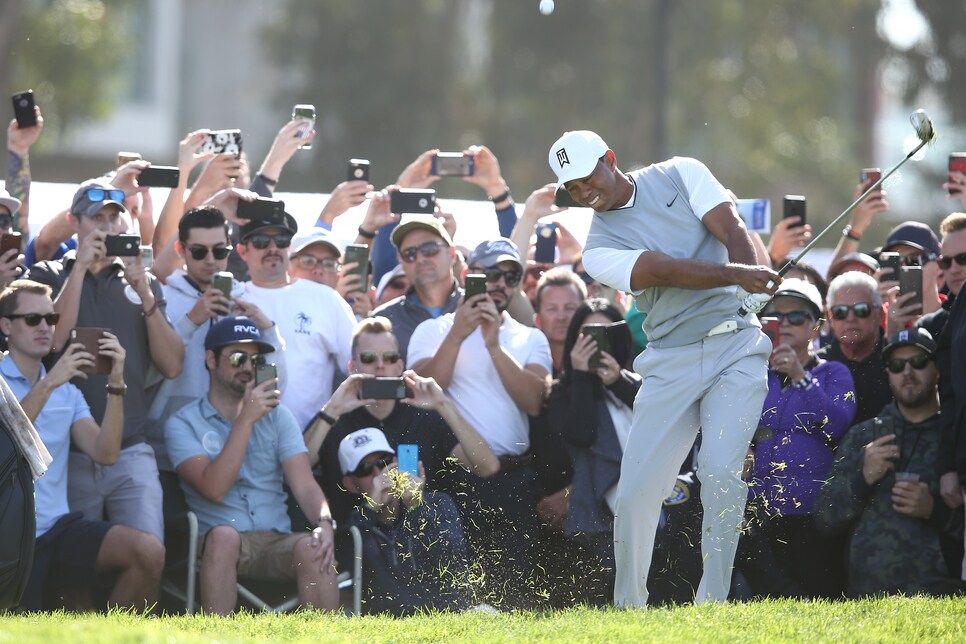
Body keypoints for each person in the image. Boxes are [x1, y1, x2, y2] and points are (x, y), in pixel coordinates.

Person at [547, 130, 780, 607]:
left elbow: (733, 229)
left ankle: (711, 603)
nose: (583, 192)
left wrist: (752, 281)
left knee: (719, 473)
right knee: (635, 494)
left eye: (587, 177)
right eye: (572, 188)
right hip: (669, 360)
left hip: (736, 346)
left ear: (610, 159)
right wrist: (740, 276)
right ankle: (628, 606)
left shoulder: (681, 172)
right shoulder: (596, 251)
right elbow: (665, 270)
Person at [26, 180, 185, 542]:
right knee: (73, 566)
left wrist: (146, 295)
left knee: (148, 553)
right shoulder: (48, 275)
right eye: (98, 218)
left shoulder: (140, 282)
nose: (108, 227)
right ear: (74, 221)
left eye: (115, 218)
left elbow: (173, 365)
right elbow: (52, 342)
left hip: (131, 447)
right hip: (67, 451)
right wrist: (79, 269)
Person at [1, 280, 164, 611]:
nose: (45, 327)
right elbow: (7, 444)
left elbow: (106, 453)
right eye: (33, 319)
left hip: (57, 529)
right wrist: (49, 382)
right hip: (8, 536)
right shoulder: (46, 382)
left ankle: (111, 636)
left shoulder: (67, 391)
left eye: (52, 319)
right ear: (6, 325)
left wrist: (116, 383)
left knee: (148, 552)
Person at [408, 237, 552, 606]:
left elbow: (534, 401)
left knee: (515, 591)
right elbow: (424, 393)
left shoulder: (529, 337)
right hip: (455, 475)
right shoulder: (434, 330)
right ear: (468, 275)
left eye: (510, 275)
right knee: (459, 590)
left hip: (515, 477)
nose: (500, 283)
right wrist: (460, 332)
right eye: (490, 274)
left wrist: (493, 346)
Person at [164, 316, 338, 614]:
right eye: (237, 357)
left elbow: (304, 483)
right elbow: (214, 488)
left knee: (314, 546)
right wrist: (246, 419)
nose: (247, 367)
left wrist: (324, 523)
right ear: (210, 360)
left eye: (255, 359)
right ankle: (218, 636)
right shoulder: (182, 423)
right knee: (223, 537)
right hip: (222, 542)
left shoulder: (278, 416)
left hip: (277, 540)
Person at [814, 328, 965, 597]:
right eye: (897, 365)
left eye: (918, 363)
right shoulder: (864, 436)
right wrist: (863, 480)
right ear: (888, 374)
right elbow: (825, 520)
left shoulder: (957, 437)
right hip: (868, 598)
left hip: (941, 596)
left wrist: (936, 511)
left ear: (938, 370)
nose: (907, 372)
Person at [305, 316, 498, 526]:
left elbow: (488, 466)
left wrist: (444, 404)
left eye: (389, 357)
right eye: (369, 358)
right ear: (352, 366)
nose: (380, 366)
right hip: (354, 542)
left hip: (416, 541)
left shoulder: (423, 415)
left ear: (399, 366)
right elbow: (296, 473)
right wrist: (332, 409)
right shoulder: (334, 416)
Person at [739, 279, 856, 599]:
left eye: (796, 317)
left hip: (810, 514)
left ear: (815, 327)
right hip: (758, 511)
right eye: (776, 317)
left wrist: (800, 378)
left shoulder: (833, 373)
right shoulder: (752, 373)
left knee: (816, 599)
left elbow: (837, 423)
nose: (785, 324)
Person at [146, 206, 283, 472]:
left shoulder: (249, 302)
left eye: (220, 251)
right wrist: (190, 321)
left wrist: (268, 332)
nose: (210, 260)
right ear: (180, 250)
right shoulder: (162, 300)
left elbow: (276, 384)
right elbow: (149, 374)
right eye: (199, 252)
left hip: (236, 445)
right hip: (164, 447)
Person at [546, 298, 640, 603]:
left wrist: (617, 381)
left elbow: (659, 416)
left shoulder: (643, 383)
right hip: (600, 509)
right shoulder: (562, 393)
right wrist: (584, 376)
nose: (596, 344)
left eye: (604, 334)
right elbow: (580, 435)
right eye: (587, 336)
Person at [234, 208, 356, 430]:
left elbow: (357, 364)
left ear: (289, 248)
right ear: (242, 251)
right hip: (244, 437)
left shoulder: (326, 297)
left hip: (311, 440)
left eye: (281, 240)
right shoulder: (233, 299)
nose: (272, 248)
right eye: (262, 241)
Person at [338, 427, 474, 615]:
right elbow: (345, 558)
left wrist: (417, 507)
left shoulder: (438, 503)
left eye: (383, 461)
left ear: (395, 463)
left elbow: (454, 566)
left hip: (445, 618)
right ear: (351, 484)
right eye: (365, 469)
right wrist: (371, 507)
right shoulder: (356, 525)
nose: (379, 474)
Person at [371, 212, 462, 361]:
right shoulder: (383, 321)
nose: (420, 259)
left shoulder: (478, 309)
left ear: (451, 253)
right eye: (409, 253)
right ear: (401, 262)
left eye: (430, 249)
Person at [820, 271, 892, 424]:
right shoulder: (819, 365)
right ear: (830, 318)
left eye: (861, 310)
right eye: (840, 312)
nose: (851, 318)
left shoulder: (896, 360)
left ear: (879, 314)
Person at [533, 267, 587, 377]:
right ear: (538, 320)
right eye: (552, 309)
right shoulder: (524, 359)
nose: (561, 317)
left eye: (570, 308)